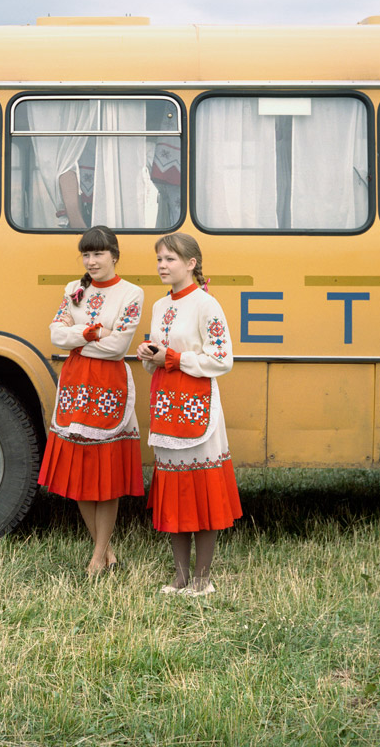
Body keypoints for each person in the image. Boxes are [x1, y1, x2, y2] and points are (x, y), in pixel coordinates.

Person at [136, 232, 242, 596]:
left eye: (169, 259)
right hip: (167, 406)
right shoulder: (159, 306)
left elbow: (222, 358)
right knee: (175, 491)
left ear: (191, 264)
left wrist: (175, 358)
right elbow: (162, 358)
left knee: (201, 491)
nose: (162, 266)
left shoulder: (206, 305)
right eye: (159, 260)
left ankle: (202, 579)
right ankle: (180, 578)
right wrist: (150, 356)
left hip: (198, 406)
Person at [38, 225, 145, 574]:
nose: (92, 260)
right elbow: (56, 335)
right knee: (80, 471)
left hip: (109, 385)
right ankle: (106, 551)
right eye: (86, 254)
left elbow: (118, 346)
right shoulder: (74, 289)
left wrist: (77, 339)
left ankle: (98, 556)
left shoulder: (132, 293)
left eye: (98, 253)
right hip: (75, 384)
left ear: (114, 254)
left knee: (107, 473)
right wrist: (90, 332)